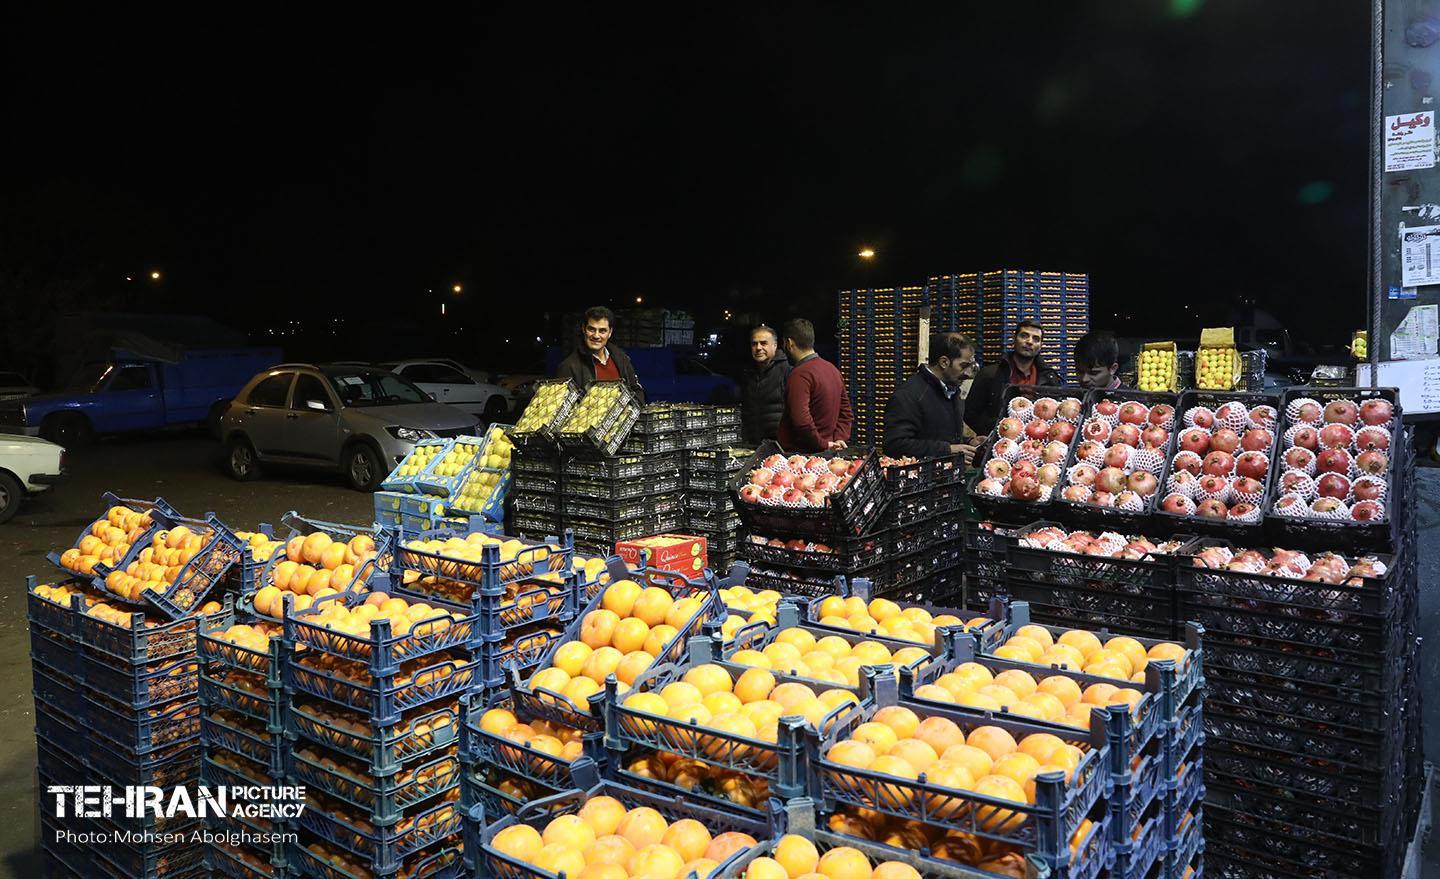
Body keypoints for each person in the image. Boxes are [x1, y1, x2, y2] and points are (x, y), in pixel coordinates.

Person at [884, 332, 980, 463]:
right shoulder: (909, 396)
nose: (968, 373)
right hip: (921, 474)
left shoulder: (950, 389)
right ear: (944, 362)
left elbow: (937, 434)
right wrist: (948, 450)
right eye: (963, 366)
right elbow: (895, 445)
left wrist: (969, 442)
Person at [963, 319, 1063, 437]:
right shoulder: (990, 374)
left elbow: (1056, 415)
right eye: (1024, 336)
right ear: (1014, 339)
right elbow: (970, 414)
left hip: (1036, 441)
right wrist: (995, 432)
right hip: (1000, 440)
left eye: (1036, 339)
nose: (1029, 342)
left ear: (1040, 346)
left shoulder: (1049, 378)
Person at [776, 318, 853, 452]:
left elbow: (802, 421)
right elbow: (846, 412)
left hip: (802, 456)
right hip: (828, 454)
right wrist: (839, 438)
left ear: (789, 343)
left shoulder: (800, 374)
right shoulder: (832, 370)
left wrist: (822, 444)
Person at [555, 306, 645, 402]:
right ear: (583, 329)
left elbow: (636, 390)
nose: (596, 336)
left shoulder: (621, 358)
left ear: (610, 332)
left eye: (602, 331)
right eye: (591, 329)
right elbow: (562, 405)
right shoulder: (568, 367)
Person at [740, 324, 790, 444]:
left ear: (775, 345)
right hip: (753, 443)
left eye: (763, 343)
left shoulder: (787, 370)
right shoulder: (748, 372)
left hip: (780, 445)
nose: (758, 348)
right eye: (754, 344)